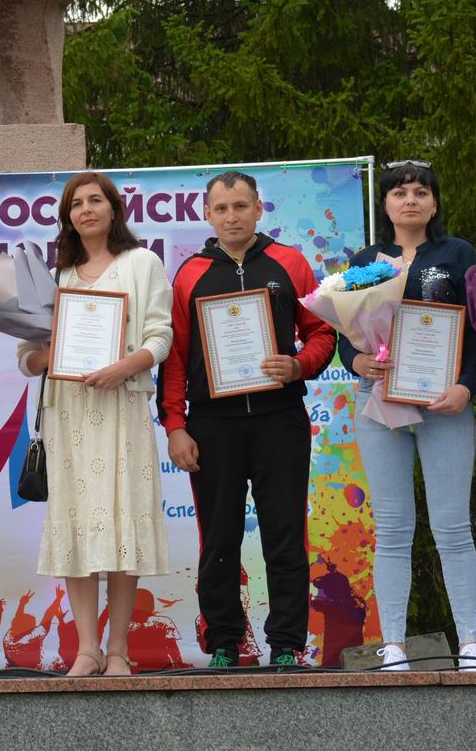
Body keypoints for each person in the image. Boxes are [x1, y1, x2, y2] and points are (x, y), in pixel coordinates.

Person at [161, 170, 336, 668]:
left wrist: (299, 365)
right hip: (213, 424)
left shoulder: (290, 262)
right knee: (218, 536)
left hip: (280, 417)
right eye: (221, 208)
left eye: (240, 206)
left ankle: (285, 643)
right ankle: (223, 641)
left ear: (259, 209)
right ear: (207, 215)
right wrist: (176, 424)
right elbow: (175, 357)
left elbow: (324, 332)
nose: (231, 216)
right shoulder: (190, 273)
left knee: (284, 532)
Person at [337, 160, 476, 671]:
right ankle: (395, 646)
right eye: (399, 192)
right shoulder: (364, 260)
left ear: (435, 202)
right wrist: (355, 360)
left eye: (421, 191)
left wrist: (468, 387)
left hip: (445, 403)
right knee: (393, 528)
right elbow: (346, 333)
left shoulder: (458, 254)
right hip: (379, 402)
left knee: (452, 527)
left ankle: (471, 645)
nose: (410, 200)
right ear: (384, 204)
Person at [19, 171, 173, 676]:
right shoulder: (55, 276)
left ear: (113, 209)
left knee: (122, 521)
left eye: (95, 201)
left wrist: (124, 366)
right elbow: (27, 356)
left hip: (121, 406)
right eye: (76, 204)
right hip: (67, 413)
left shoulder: (142, 263)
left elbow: (161, 335)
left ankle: (119, 651)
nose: (86, 210)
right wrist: (44, 355)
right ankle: (86, 649)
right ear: (67, 216)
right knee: (78, 528)